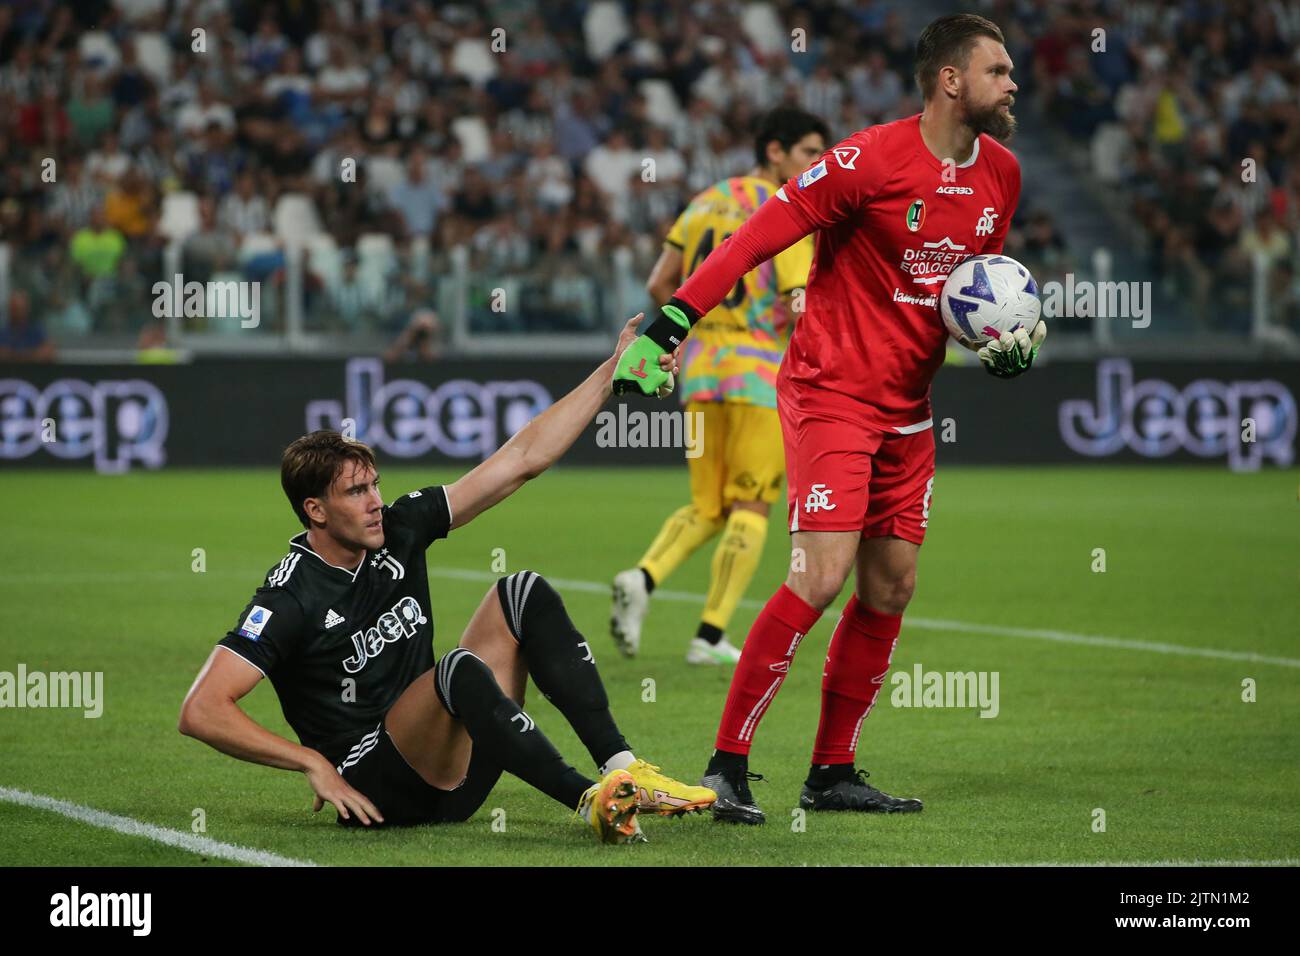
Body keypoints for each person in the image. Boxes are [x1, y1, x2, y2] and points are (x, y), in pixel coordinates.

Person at [612, 14, 1046, 823]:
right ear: (950, 79)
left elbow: (963, 293)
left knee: (892, 586)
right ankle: (729, 763)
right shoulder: (867, 160)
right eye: (998, 71)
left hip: (909, 410)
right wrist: (672, 324)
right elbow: (751, 241)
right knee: (820, 575)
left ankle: (833, 769)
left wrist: (998, 343)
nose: (1012, 84)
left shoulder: (1005, 176)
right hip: (829, 393)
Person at [180, 316, 714, 844]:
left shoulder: (399, 526)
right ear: (315, 510)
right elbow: (201, 710)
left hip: (457, 768)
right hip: (379, 791)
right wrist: (310, 762)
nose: (374, 503)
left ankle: (623, 768)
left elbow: (520, 459)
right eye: (356, 493)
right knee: (457, 669)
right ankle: (589, 801)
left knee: (521, 592)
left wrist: (610, 372)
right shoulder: (290, 596)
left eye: (374, 485)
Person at [609, 107, 829, 666]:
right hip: (758, 376)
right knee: (752, 504)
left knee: (708, 505)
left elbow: (662, 281)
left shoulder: (705, 199)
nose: (817, 164)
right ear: (775, 152)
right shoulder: (787, 206)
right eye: (808, 152)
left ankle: (643, 575)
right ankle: (709, 636)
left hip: (703, 373)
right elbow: (797, 297)